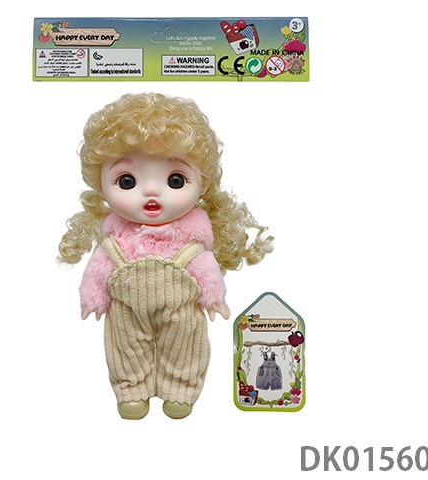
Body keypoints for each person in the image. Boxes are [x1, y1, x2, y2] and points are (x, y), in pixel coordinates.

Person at [59, 93, 272, 419]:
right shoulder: (115, 244)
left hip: (180, 310)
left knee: (186, 343)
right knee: (124, 345)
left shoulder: (191, 245)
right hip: (126, 310)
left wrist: (213, 296)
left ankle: (180, 389)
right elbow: (99, 268)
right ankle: (131, 389)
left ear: (202, 185)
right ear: (100, 187)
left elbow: (205, 269)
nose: (151, 192)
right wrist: (93, 296)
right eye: (127, 181)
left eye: (175, 180)